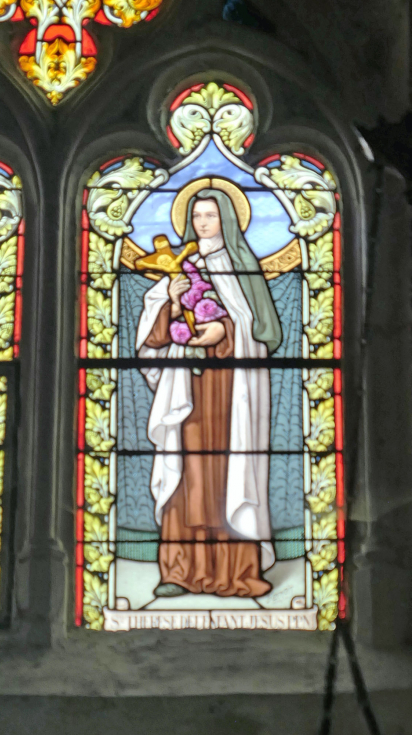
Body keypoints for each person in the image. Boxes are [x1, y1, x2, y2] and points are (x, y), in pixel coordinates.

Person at [136, 186, 282, 599]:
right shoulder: (183, 265)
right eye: (197, 216)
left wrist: (227, 329)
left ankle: (235, 574)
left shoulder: (242, 267)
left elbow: (263, 330)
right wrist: (170, 299)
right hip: (187, 390)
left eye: (211, 216)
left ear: (228, 221)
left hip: (231, 390)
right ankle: (179, 572)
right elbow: (151, 335)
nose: (202, 223)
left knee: (228, 473)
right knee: (185, 473)